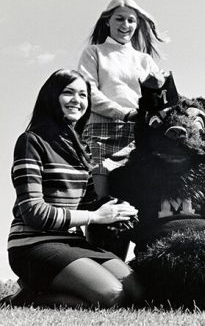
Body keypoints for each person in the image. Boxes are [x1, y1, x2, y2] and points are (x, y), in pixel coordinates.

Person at [2, 69, 142, 308]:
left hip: (71, 242)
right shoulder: (31, 141)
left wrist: (116, 209)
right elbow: (34, 212)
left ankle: (42, 288)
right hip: (33, 243)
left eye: (83, 95)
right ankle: (24, 298)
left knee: (137, 294)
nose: (77, 100)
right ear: (51, 96)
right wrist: (95, 217)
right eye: (68, 93)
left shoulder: (81, 149)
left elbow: (88, 205)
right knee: (111, 296)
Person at [78, 0, 165, 198]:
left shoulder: (145, 60)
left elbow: (158, 101)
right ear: (107, 20)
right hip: (100, 134)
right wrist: (124, 113)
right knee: (100, 203)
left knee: (139, 202)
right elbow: (88, 92)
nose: (125, 25)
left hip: (138, 135)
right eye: (119, 19)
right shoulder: (93, 53)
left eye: (131, 20)